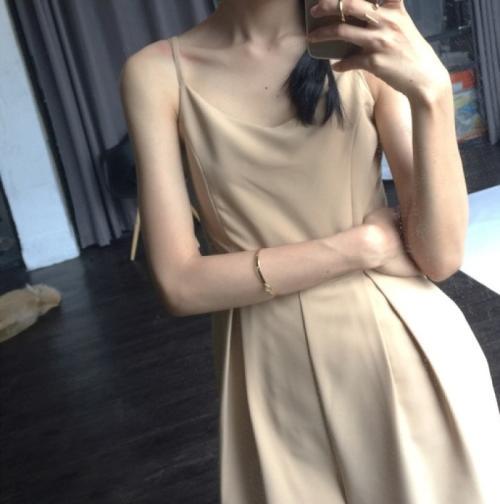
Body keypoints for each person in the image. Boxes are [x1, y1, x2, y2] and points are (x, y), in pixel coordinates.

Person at [119, 0, 500, 502]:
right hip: (268, 383)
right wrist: (360, 246)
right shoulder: (155, 73)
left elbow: (442, 256)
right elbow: (180, 285)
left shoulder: (362, 43)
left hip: (399, 354)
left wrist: (433, 92)